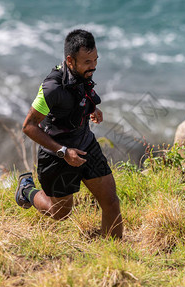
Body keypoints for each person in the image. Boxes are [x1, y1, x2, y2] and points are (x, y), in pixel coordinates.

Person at [14, 29, 123, 238]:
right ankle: (26, 190)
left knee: (111, 202)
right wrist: (64, 151)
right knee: (60, 213)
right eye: (87, 62)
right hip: (57, 155)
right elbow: (28, 126)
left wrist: (92, 109)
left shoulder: (82, 74)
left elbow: (81, 95)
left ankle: (115, 258)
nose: (93, 66)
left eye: (95, 59)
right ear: (70, 61)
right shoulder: (51, 89)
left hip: (86, 145)